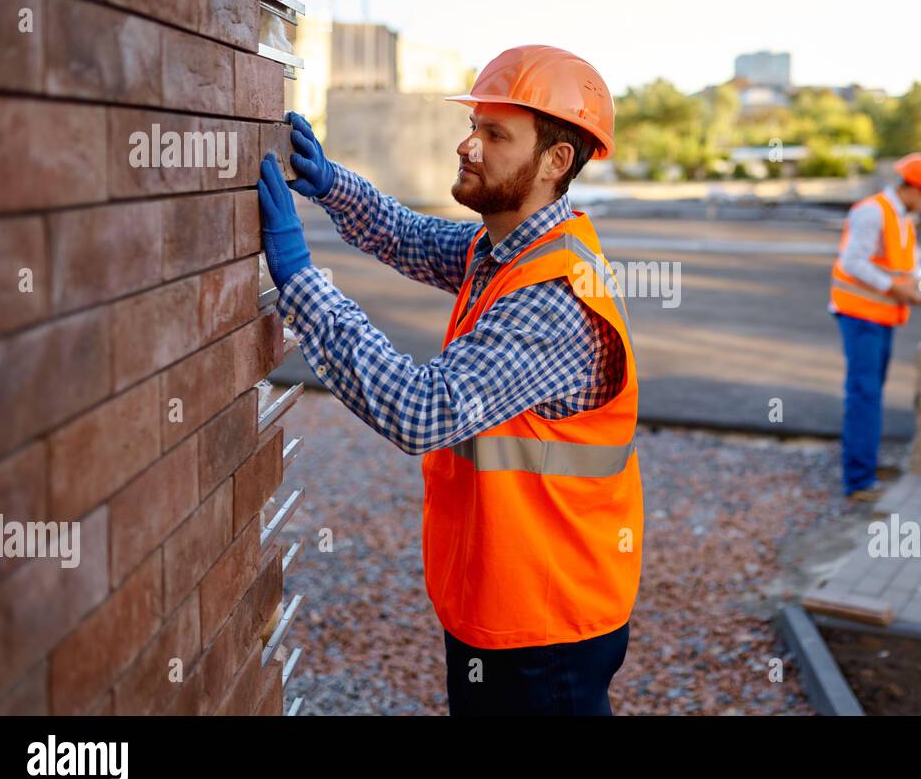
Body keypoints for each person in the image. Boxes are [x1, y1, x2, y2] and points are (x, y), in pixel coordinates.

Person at [255, 45, 642, 715]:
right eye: (475, 126)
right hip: (505, 602)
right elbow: (406, 235)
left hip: (544, 628)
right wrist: (331, 185)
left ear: (555, 162)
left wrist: (299, 279)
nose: (468, 145)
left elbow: (418, 408)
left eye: (495, 134)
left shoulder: (553, 296)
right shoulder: (503, 251)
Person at [828, 152, 921, 504]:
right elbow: (853, 262)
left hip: (881, 317)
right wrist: (894, 289)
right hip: (859, 315)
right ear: (914, 189)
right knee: (865, 394)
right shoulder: (871, 212)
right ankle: (858, 480)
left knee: (871, 393)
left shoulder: (902, 219)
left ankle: (866, 466)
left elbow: (915, 272)